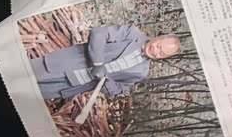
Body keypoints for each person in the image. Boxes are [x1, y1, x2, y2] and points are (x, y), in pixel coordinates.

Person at [30, 24, 180, 101]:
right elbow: (99, 32)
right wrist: (97, 63)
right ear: (157, 38)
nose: (156, 51)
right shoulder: (131, 33)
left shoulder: (141, 72)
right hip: (64, 64)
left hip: (69, 86)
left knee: (27, 96)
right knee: (21, 74)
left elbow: (118, 89)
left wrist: (106, 80)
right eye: (159, 46)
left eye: (161, 53)